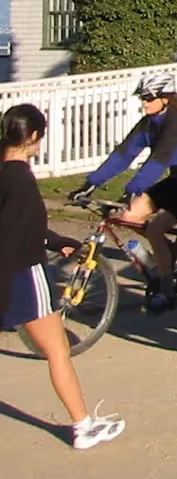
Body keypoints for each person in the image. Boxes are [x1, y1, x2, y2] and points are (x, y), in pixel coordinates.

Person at [2, 104, 126, 450]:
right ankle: (83, 426)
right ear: (35, 137)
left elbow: (23, 226)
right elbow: (17, 235)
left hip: (13, 270)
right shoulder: (21, 179)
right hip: (23, 274)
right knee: (59, 350)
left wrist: (60, 242)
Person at [68, 73, 177, 311]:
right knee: (127, 216)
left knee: (156, 227)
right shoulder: (149, 123)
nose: (144, 102)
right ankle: (169, 251)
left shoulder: (175, 123)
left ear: (165, 99)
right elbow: (123, 155)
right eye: (143, 98)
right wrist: (90, 183)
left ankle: (167, 292)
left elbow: (158, 160)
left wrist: (133, 189)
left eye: (149, 98)